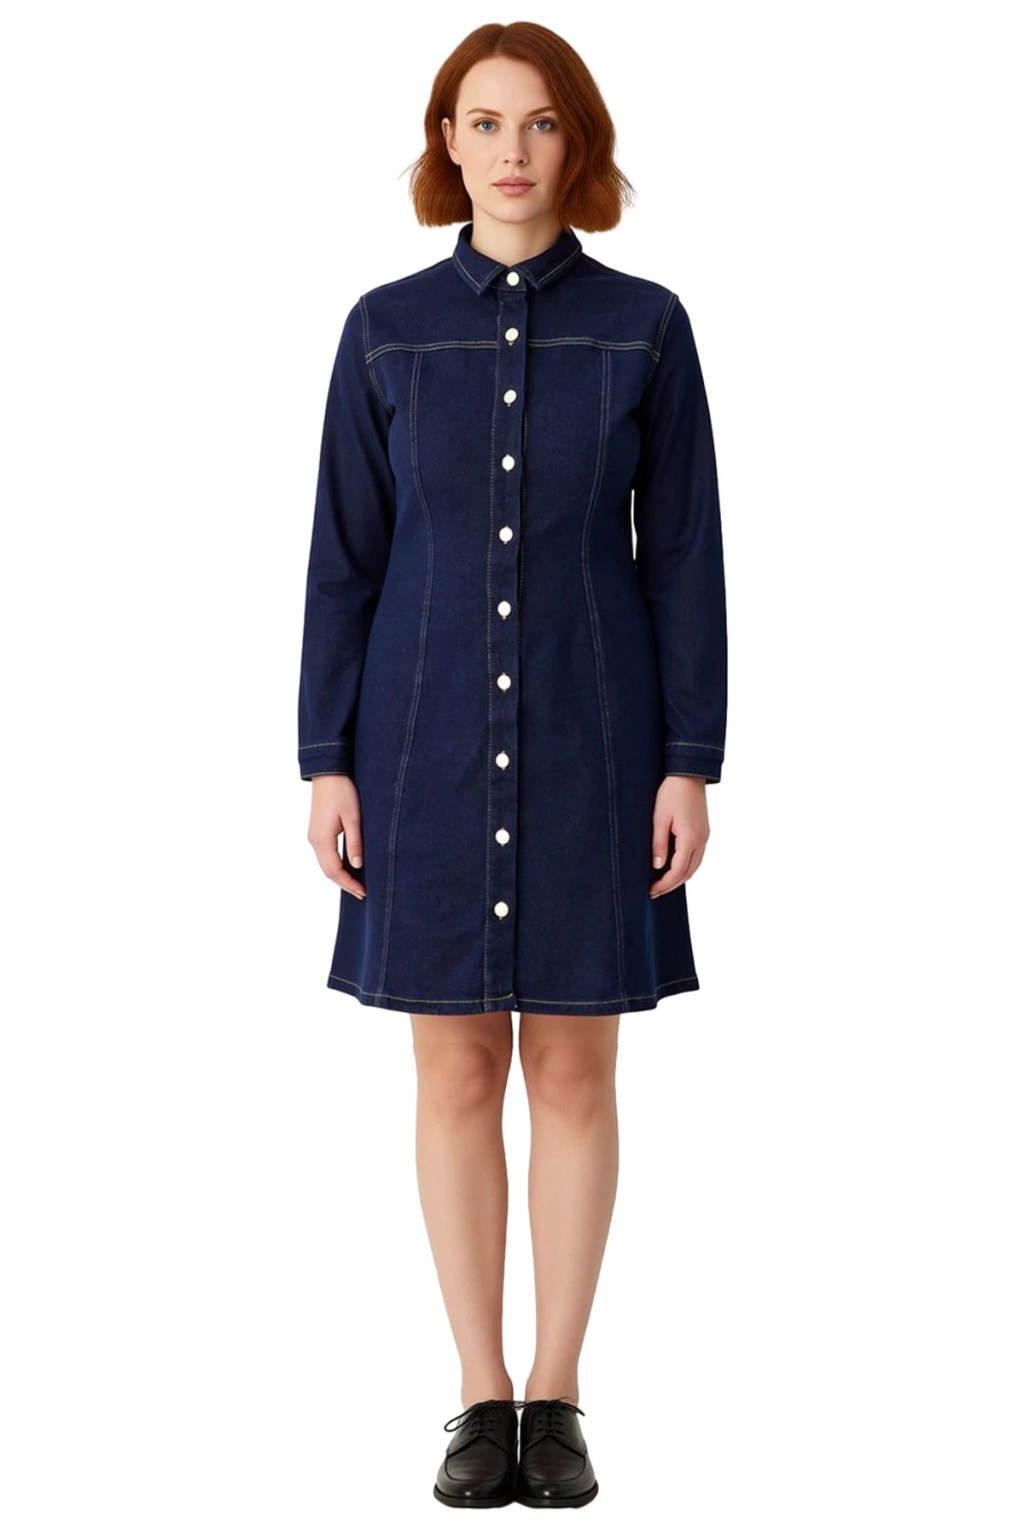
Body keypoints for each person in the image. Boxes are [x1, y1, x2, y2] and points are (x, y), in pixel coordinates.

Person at [297, 20, 727, 1510]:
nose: (511, 151)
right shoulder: (384, 330)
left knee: (575, 1066)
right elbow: (345, 559)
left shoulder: (647, 327)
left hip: (596, 734)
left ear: (576, 141)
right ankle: (479, 1395)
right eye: (483, 123)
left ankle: (561, 1391)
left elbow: (683, 556)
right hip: (417, 745)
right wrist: (325, 759)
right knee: (455, 1065)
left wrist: (689, 759)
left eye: (539, 122)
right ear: (447, 142)